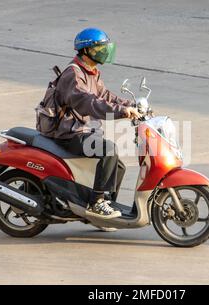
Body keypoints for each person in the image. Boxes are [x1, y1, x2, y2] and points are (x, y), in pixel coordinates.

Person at [53, 28, 141, 219]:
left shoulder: (91, 71)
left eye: (104, 47)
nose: (104, 51)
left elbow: (105, 96)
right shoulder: (74, 75)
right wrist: (121, 112)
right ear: (86, 50)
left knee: (118, 167)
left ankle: (105, 207)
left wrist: (131, 105)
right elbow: (88, 102)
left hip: (84, 130)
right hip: (70, 133)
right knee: (109, 150)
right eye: (99, 47)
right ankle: (97, 203)